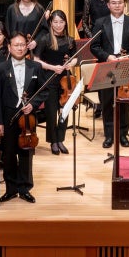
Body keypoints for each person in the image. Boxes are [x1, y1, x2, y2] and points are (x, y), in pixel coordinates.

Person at [0, 30, 49, 202]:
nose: (20, 48)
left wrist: (34, 104)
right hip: (8, 116)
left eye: (23, 45)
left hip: (28, 118)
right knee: (8, 154)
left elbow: (44, 91)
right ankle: (11, 188)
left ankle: (25, 188)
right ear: (9, 47)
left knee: (26, 153)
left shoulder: (35, 66)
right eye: (16, 45)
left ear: (27, 47)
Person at [90, 0, 129, 149]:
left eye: (120, 2)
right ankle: (109, 135)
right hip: (107, 65)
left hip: (126, 64)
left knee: (124, 102)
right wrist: (107, 57)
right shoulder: (100, 22)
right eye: (113, 2)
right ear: (108, 5)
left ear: (124, 4)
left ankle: (123, 134)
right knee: (106, 102)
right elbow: (94, 46)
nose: (117, 5)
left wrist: (128, 56)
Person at [33, 10, 79, 154]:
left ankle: (60, 139)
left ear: (65, 23)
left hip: (66, 79)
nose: (58, 25)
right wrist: (53, 67)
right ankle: (53, 141)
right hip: (49, 78)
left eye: (61, 22)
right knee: (52, 112)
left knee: (64, 111)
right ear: (50, 23)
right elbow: (36, 60)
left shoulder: (70, 40)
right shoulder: (45, 39)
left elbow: (76, 58)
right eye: (55, 22)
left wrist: (71, 63)